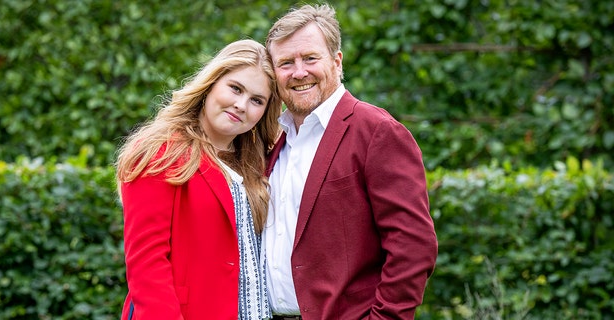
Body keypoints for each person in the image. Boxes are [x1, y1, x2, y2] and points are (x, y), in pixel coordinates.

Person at [262, 4, 438, 319]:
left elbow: (413, 246)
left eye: (310, 58)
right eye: (286, 63)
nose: (299, 72)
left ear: (337, 61)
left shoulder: (377, 132)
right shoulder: (273, 140)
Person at [115, 39, 281, 320]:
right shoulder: (161, 151)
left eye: (257, 100)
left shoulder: (259, 164)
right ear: (211, 84)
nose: (241, 105)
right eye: (235, 88)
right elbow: (147, 266)